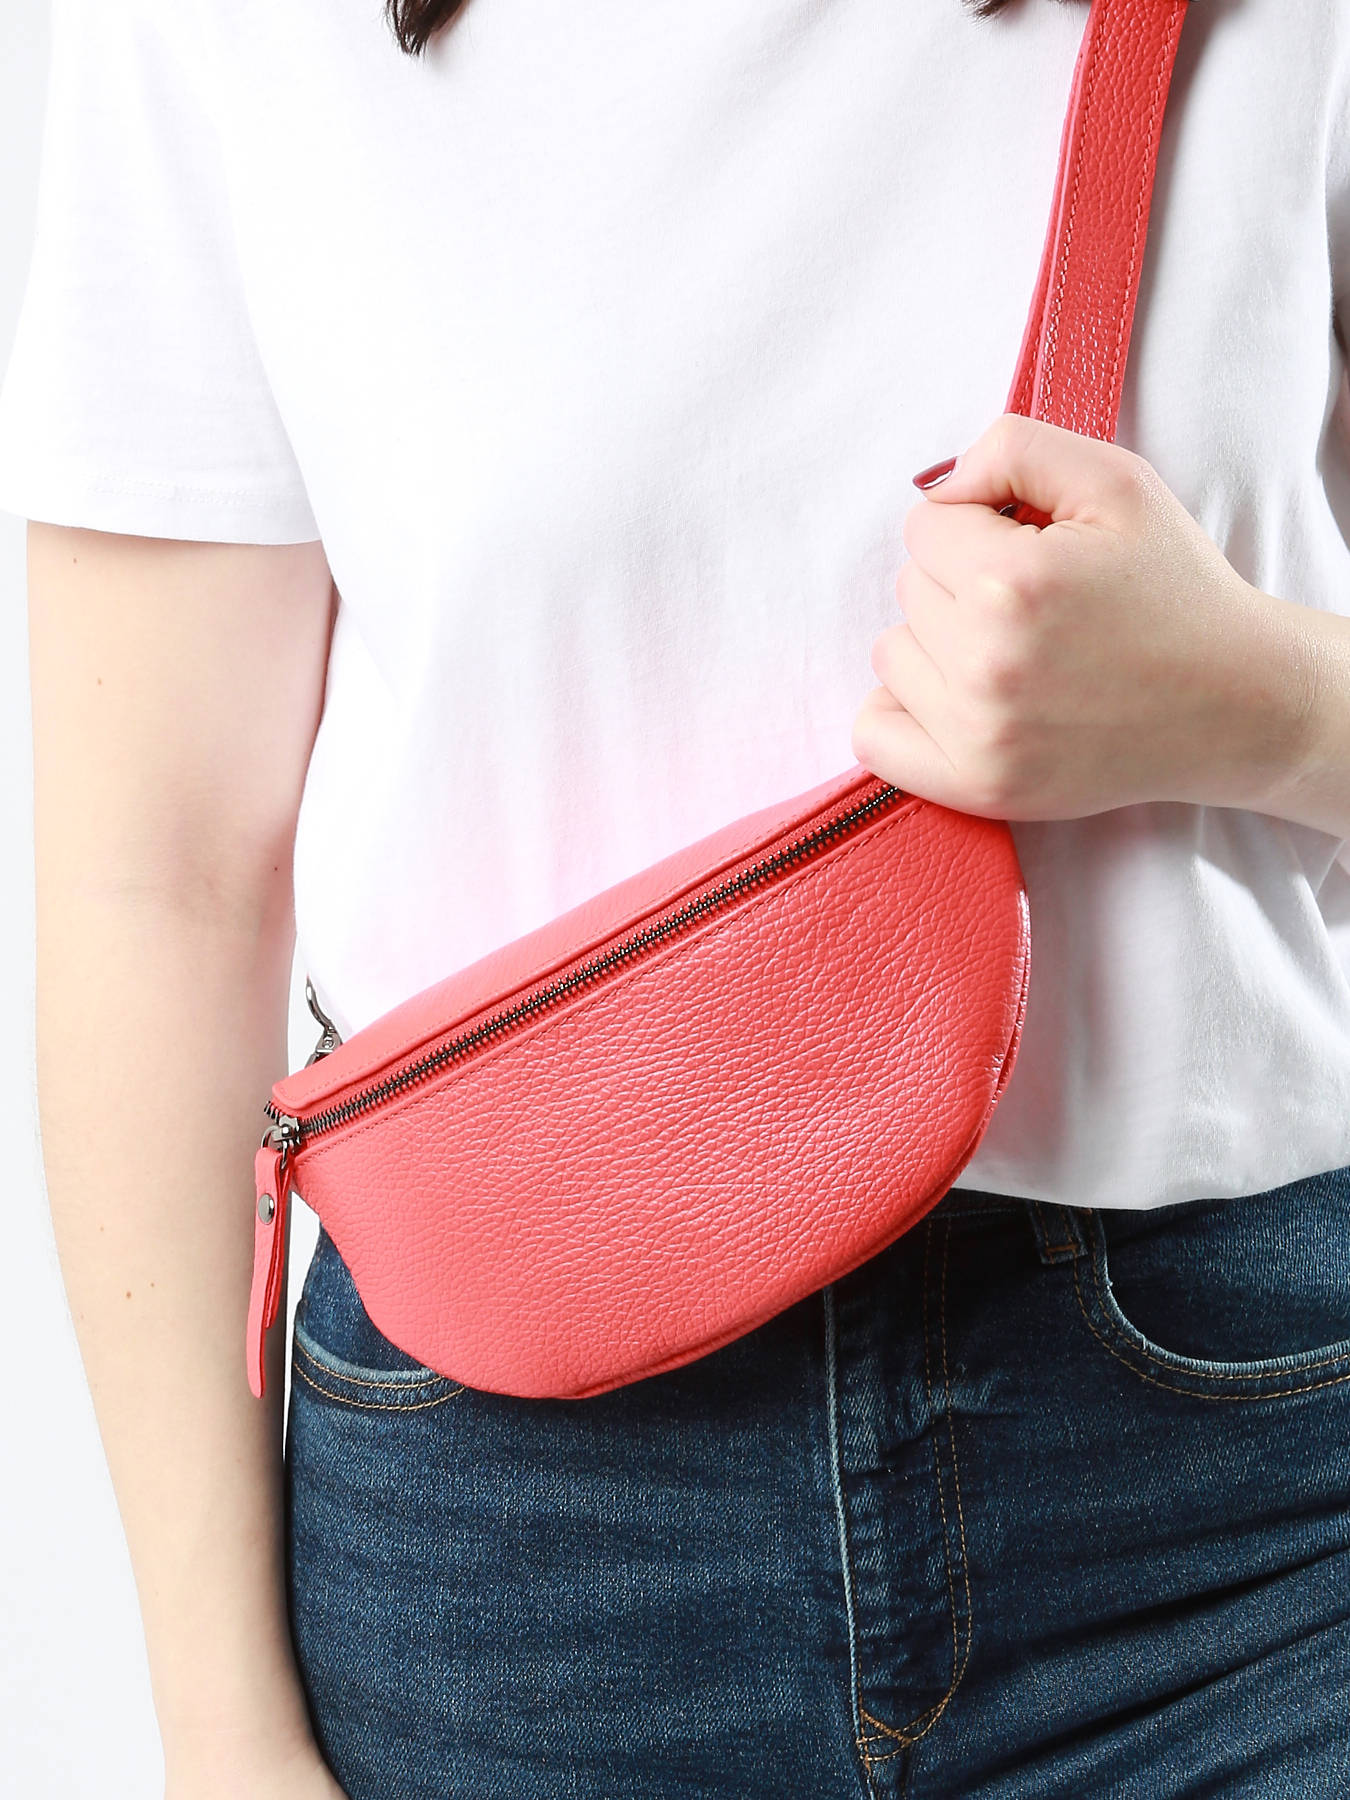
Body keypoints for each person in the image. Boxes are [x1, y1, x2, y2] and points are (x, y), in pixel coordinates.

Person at [2, 0, 1349, 1793]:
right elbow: (158, 880)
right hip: (512, 1533)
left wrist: (1266, 706)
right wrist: (217, 1723)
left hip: (1237, 1506)